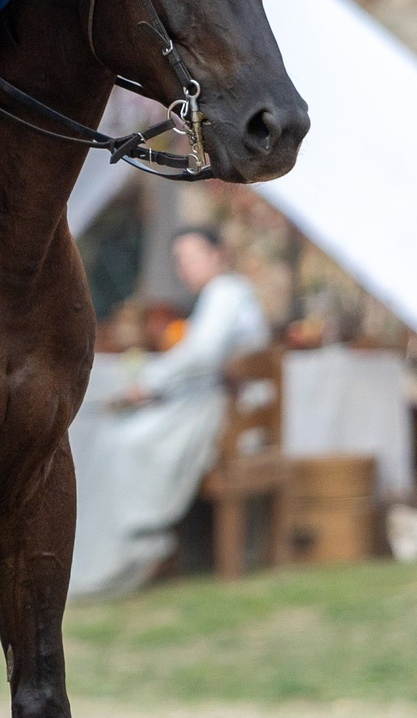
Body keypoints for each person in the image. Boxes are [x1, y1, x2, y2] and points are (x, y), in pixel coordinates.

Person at [67, 227, 272, 598]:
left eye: (192, 257)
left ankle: (131, 550)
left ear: (218, 254)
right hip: (202, 402)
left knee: (124, 443)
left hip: (216, 413)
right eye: (180, 260)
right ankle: (93, 556)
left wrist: (152, 382)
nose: (185, 267)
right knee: (114, 434)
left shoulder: (227, 292)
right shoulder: (220, 295)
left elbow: (203, 355)